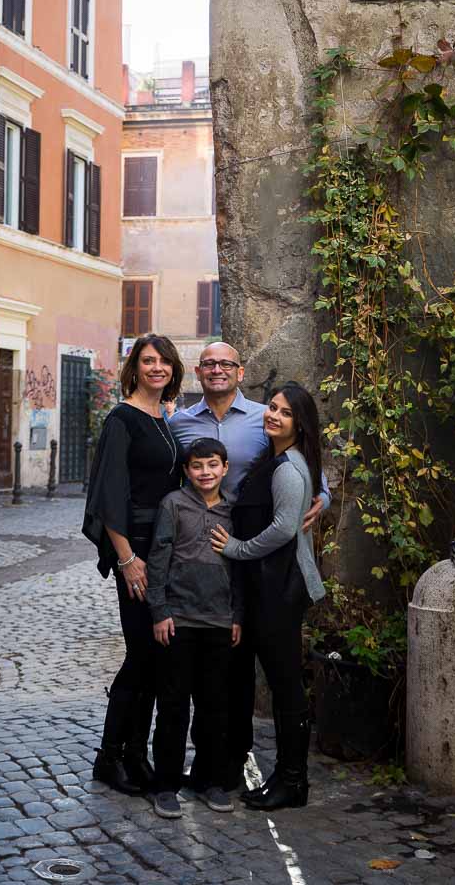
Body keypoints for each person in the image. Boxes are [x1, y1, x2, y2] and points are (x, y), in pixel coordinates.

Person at [170, 342, 330, 787]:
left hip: (261, 563)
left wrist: (321, 501)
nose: (217, 369)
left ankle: (287, 775)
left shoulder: (266, 422)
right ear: (198, 372)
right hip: (211, 562)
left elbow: (310, 479)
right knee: (225, 669)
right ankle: (221, 762)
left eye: (226, 363)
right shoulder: (180, 423)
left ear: (241, 372)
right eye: (209, 363)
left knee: (278, 677)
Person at [211, 381, 326, 811]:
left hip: (280, 585)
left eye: (284, 412)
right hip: (265, 584)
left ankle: (293, 781)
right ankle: (280, 775)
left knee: (285, 685)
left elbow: (282, 529)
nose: (273, 416)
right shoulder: (273, 458)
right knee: (277, 683)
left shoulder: (289, 467)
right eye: (272, 408)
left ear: (301, 424)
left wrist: (237, 549)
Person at [82, 333, 183, 795]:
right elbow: (109, 495)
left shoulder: (165, 416)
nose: (156, 367)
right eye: (147, 360)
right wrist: (127, 560)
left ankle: (136, 755)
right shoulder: (122, 419)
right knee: (140, 652)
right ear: (135, 368)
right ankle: (109, 757)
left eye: (163, 360)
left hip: (165, 549)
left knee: (157, 657)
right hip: (137, 549)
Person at [146, 438, 243, 819]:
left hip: (219, 621)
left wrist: (237, 615)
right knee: (173, 705)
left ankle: (210, 780)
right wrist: (159, 611)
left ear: (225, 468)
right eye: (198, 466)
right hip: (178, 620)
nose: (206, 472)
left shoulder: (234, 512)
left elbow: (241, 569)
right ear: (187, 470)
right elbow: (158, 558)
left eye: (213, 465)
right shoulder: (174, 504)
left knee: (215, 705)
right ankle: (166, 784)